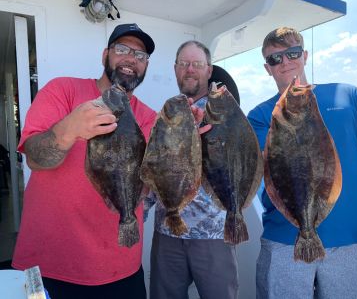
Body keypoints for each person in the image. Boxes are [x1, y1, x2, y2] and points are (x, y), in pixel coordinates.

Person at [247, 26, 357, 299]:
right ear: (267, 68)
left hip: (349, 238)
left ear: (305, 55)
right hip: (285, 240)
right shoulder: (259, 115)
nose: (285, 62)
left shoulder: (348, 95)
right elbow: (260, 168)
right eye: (275, 58)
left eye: (292, 53)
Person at [12, 23, 157, 299]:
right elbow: (34, 158)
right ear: (106, 54)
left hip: (122, 268)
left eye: (140, 56)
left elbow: (150, 184)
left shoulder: (149, 117)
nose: (131, 59)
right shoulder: (63, 90)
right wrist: (70, 129)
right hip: (48, 266)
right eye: (123, 49)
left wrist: (184, 143)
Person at [146, 40, 239, 299]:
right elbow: (155, 165)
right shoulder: (168, 111)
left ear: (209, 70)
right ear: (175, 69)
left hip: (213, 234)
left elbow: (239, 163)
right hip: (167, 232)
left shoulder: (225, 109)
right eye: (184, 64)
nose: (190, 69)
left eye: (197, 64)